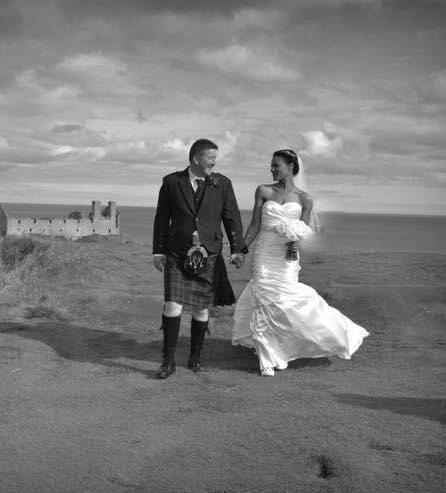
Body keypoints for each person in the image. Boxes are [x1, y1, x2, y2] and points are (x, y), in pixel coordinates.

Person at [231, 149, 368, 376]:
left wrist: (295, 244)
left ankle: (282, 350)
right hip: (265, 253)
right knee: (263, 297)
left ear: (290, 167)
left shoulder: (305, 199)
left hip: (286, 259)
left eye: (277, 165)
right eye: (271, 165)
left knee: (285, 301)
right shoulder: (263, 191)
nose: (272, 169)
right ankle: (267, 359)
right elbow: (255, 224)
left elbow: (302, 231)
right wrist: (241, 250)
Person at [152, 138, 247, 379]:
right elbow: (162, 218)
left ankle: (195, 358)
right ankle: (168, 361)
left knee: (201, 310)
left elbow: (232, 217)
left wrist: (237, 249)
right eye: (210, 157)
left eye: (216, 158)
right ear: (196, 158)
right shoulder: (171, 182)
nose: (214, 162)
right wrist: (158, 250)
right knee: (172, 304)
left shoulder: (223, 184)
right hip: (177, 251)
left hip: (209, 253)